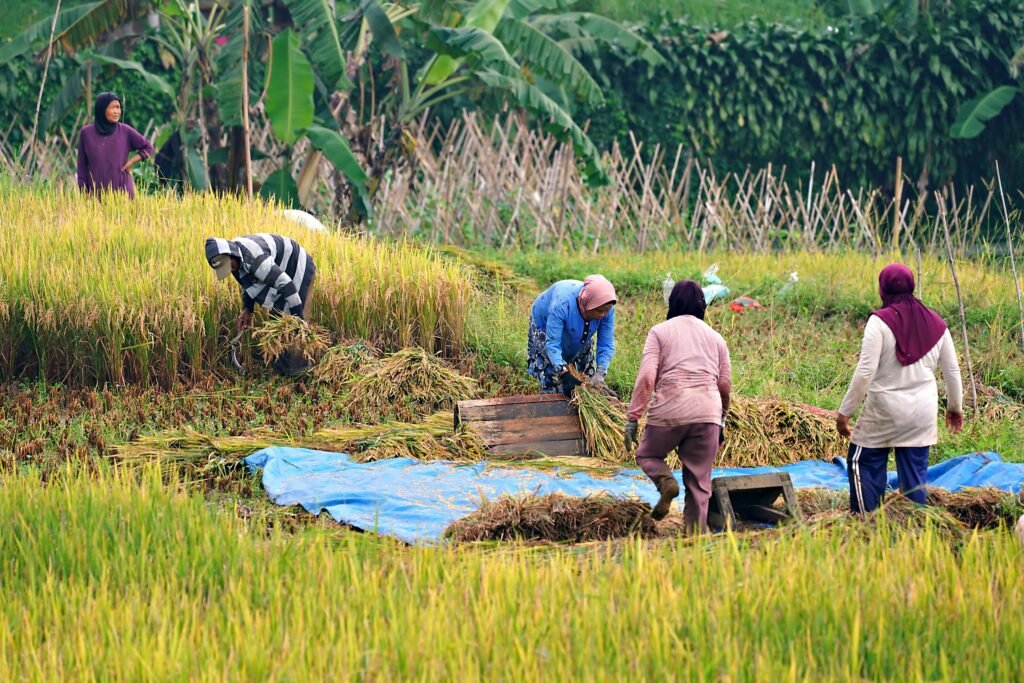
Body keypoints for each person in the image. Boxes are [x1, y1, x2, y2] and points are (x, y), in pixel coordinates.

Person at [836, 263, 964, 514]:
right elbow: (952, 371)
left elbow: (864, 372)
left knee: (863, 462)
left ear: (882, 289)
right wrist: (954, 408)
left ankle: (866, 523)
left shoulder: (879, 322)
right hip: (921, 413)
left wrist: (845, 413)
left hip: (884, 411)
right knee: (914, 477)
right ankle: (915, 529)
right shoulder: (937, 324)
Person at [625, 281, 731, 529]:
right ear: (702, 306)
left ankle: (666, 483)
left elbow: (647, 377)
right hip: (707, 413)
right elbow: (724, 385)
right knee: (699, 482)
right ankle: (694, 539)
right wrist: (721, 420)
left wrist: (633, 417)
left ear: (672, 303)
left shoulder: (660, 332)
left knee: (647, 454)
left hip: (669, 410)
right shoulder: (716, 338)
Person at [205, 234, 317, 375]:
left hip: (296, 265)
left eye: (230, 265)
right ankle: (282, 373)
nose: (231, 270)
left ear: (231, 254)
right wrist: (247, 309)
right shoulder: (235, 260)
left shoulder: (256, 260)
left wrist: (299, 320)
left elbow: (288, 286)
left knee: (287, 321)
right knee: (278, 321)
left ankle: (301, 372)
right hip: (280, 270)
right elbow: (248, 283)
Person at [527, 275, 617, 397]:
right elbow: (552, 343)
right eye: (600, 311)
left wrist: (600, 374)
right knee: (555, 382)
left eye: (606, 311)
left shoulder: (606, 308)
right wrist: (563, 373)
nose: (603, 315)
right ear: (588, 303)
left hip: (578, 325)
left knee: (586, 380)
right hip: (545, 322)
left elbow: (606, 343)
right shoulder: (562, 304)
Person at [77, 92, 155, 199]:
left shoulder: (125, 131)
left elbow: (148, 147)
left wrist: (131, 162)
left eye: (118, 107)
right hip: (96, 195)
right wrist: (83, 191)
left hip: (123, 193)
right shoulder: (86, 133)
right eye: (112, 107)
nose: (117, 112)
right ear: (102, 109)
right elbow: (82, 166)